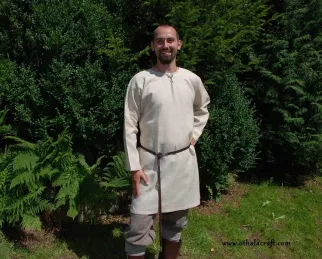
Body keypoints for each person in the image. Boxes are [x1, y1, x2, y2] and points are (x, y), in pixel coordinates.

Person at [123, 24, 210, 259]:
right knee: (138, 225)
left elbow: (202, 109)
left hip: (182, 163)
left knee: (175, 224)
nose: (165, 45)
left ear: (179, 44)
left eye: (170, 40)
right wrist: (134, 166)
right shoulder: (140, 80)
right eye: (160, 41)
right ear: (152, 46)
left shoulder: (191, 79)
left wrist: (194, 134)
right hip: (148, 163)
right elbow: (129, 125)